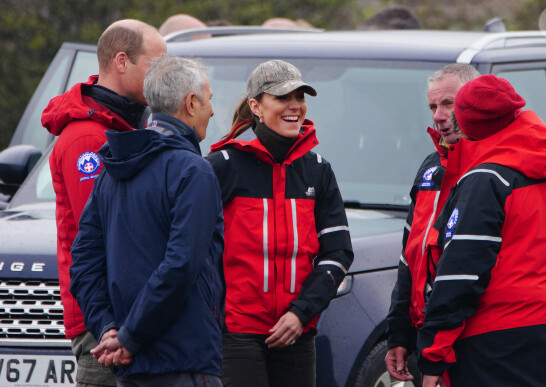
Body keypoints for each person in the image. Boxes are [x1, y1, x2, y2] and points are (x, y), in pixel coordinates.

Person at [69, 56, 225, 386]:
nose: (213, 111)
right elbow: (181, 265)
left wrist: (109, 328)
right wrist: (127, 337)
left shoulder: (110, 173)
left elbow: (82, 262)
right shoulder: (193, 171)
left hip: (131, 365)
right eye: (209, 100)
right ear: (191, 103)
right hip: (183, 359)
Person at [419, 74, 546, 386]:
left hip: (498, 343)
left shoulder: (485, 179)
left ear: (467, 124)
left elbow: (461, 275)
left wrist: (433, 354)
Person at [206, 60, 354, 387]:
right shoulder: (222, 166)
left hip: (296, 333)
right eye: (282, 97)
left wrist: (301, 312)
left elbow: (338, 253)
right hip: (236, 334)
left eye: (300, 97)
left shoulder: (318, 169)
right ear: (256, 106)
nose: (294, 106)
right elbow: (194, 250)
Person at [40, 19, 166, 387]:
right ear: (122, 62)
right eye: (154, 66)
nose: (161, 78)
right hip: (105, 324)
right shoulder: (86, 139)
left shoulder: (131, 126)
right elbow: (103, 235)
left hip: (133, 316)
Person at [385, 63, 480, 384]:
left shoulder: (492, 170)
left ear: (476, 100)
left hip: (475, 338)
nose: (438, 115)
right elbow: (409, 257)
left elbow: (469, 270)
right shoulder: (430, 168)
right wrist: (398, 335)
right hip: (429, 335)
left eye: (448, 103)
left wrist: (440, 352)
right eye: (432, 106)